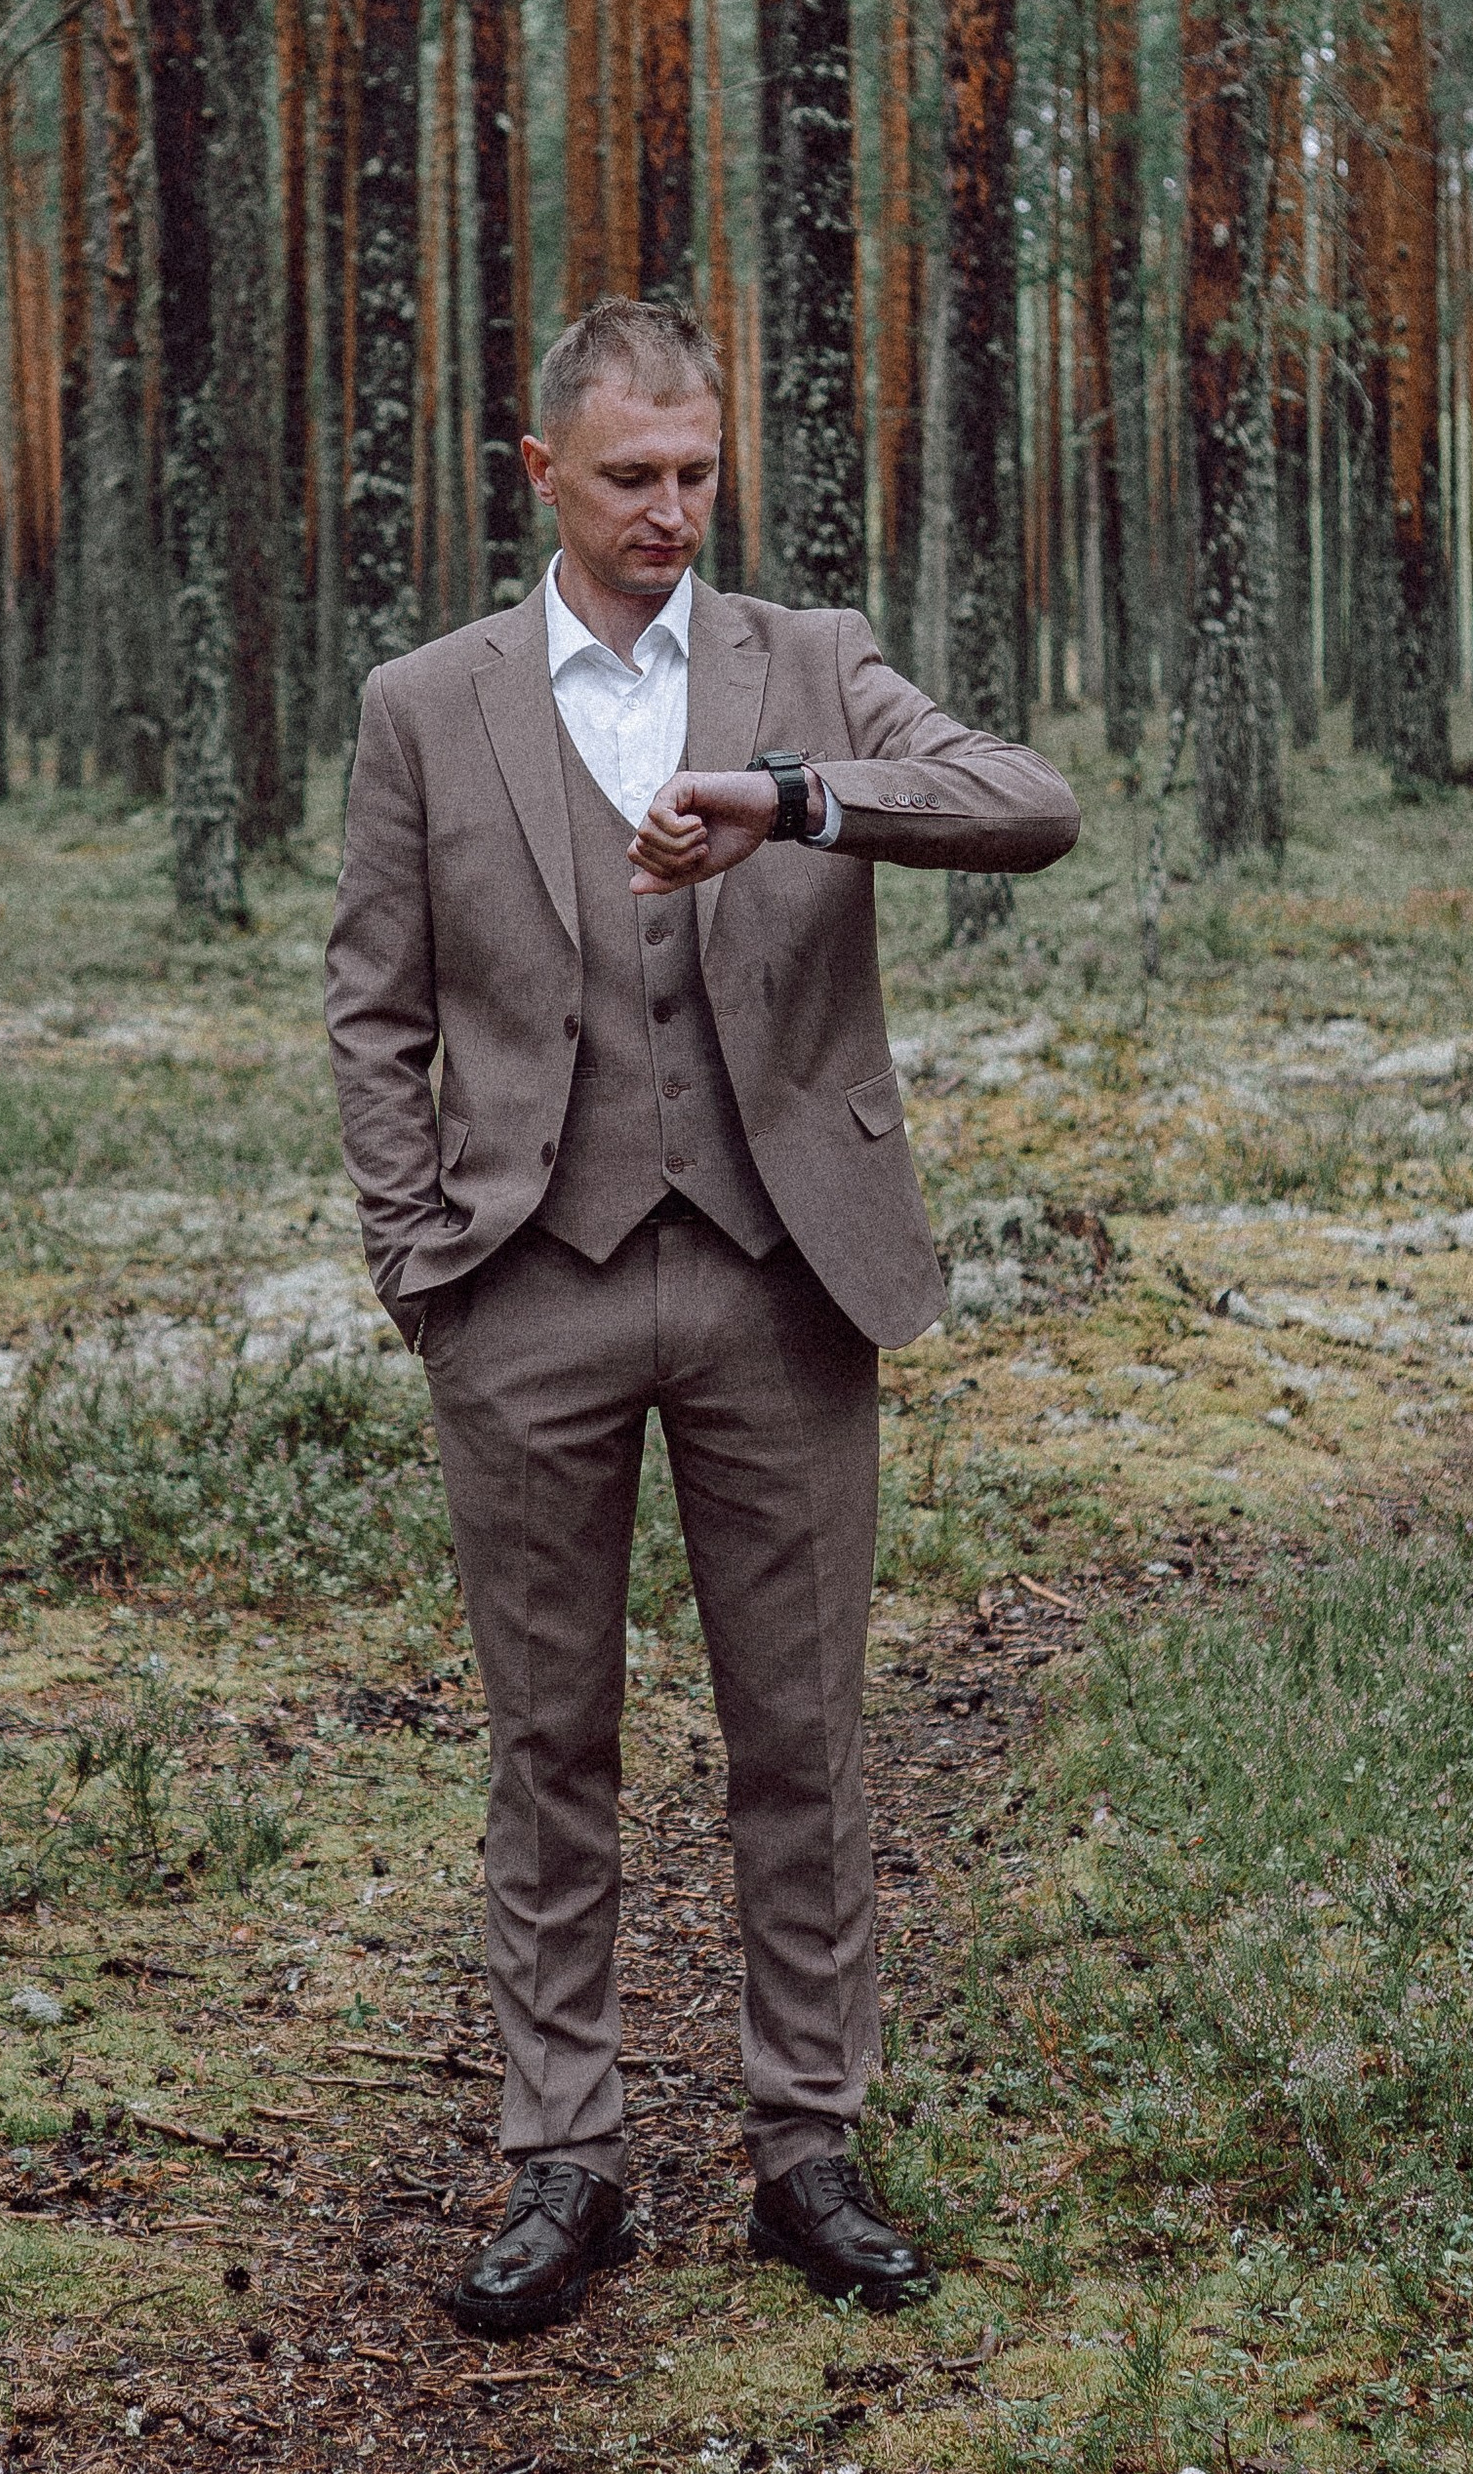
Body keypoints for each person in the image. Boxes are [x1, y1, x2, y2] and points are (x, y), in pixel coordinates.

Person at [324, 296, 1081, 2337]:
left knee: (798, 1734)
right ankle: (559, 2165)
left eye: (696, 473)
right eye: (631, 476)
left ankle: (801, 2149)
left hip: (778, 1283)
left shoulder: (807, 669)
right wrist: (425, 1274)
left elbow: (1025, 802)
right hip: (523, 1298)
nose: (671, 512)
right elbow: (372, 1008)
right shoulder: (424, 702)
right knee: (548, 1740)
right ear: (540, 474)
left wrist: (800, 797)